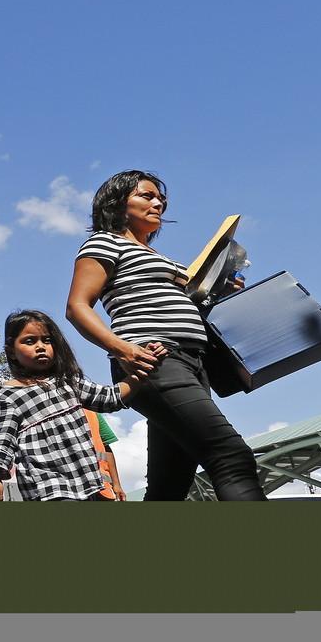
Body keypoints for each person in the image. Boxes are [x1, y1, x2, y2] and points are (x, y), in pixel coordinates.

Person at [66, 170, 268, 501]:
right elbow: (77, 306)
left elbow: (182, 308)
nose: (158, 202)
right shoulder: (104, 242)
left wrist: (220, 290)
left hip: (193, 364)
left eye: (161, 198)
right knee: (231, 457)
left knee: (169, 487)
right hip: (155, 361)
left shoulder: (161, 259)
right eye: (146, 195)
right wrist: (124, 350)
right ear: (117, 203)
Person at [0, 310, 162, 502]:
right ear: (11, 350)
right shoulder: (10, 394)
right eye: (30, 341)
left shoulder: (69, 382)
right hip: (47, 486)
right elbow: (3, 438)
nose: (41, 347)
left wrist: (143, 369)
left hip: (86, 481)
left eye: (47, 340)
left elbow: (108, 398)